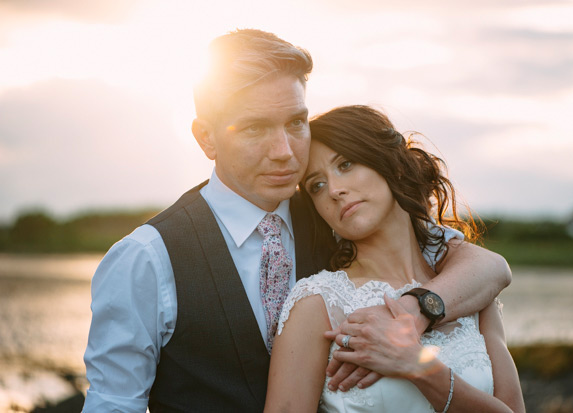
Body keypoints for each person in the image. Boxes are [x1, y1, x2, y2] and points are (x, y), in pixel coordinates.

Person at [82, 30, 511, 412]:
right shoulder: (147, 257)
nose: (285, 151)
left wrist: (416, 312)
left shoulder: (342, 216)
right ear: (206, 137)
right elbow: (114, 404)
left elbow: (487, 267)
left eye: (296, 122)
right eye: (255, 128)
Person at [264, 105, 525, 412]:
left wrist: (418, 367)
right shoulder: (316, 304)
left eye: (345, 164)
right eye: (317, 185)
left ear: (393, 164)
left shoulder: (469, 292)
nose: (334, 190)